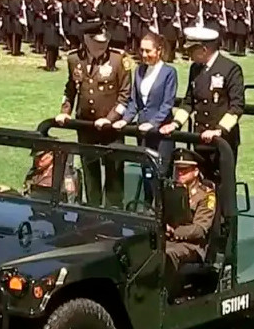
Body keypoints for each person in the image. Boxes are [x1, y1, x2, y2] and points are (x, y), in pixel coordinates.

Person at [55, 23, 132, 208]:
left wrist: (110, 118)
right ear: (86, 40)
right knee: (91, 173)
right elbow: (71, 88)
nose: (102, 46)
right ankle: (92, 211)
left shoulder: (119, 59)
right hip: (85, 126)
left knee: (114, 176)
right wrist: (65, 111)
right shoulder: (74, 59)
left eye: (105, 42)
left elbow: (125, 95)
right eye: (97, 43)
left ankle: (115, 215)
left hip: (111, 129)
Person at [162, 27, 245, 182]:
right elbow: (189, 102)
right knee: (203, 185)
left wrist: (219, 130)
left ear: (204, 49)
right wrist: (175, 124)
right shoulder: (196, 69)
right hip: (200, 139)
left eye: (191, 50)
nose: (189, 55)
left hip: (222, 142)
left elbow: (236, 107)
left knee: (222, 185)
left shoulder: (230, 69)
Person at [113, 32, 178, 202]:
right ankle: (148, 209)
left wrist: (153, 123)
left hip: (161, 133)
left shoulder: (169, 72)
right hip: (142, 131)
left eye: (148, 51)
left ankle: (163, 212)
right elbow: (134, 101)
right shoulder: (140, 70)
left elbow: (167, 103)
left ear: (159, 50)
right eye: (142, 50)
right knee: (146, 170)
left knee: (161, 173)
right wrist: (125, 119)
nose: (144, 55)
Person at [165, 149, 217, 298]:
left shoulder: (206, 195)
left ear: (195, 172)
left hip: (192, 245)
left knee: (168, 254)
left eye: (184, 170)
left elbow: (200, 229)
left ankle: (167, 295)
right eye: (178, 170)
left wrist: (174, 232)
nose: (179, 173)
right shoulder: (171, 191)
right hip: (168, 238)